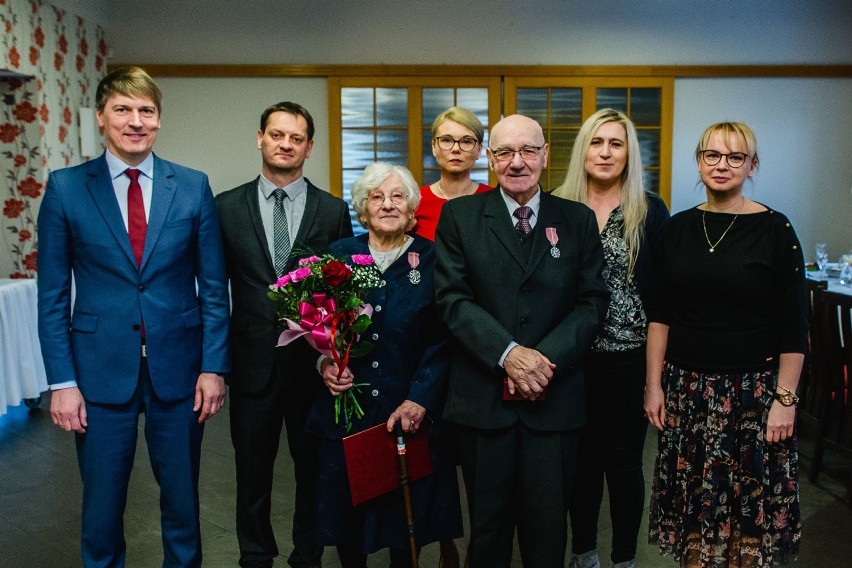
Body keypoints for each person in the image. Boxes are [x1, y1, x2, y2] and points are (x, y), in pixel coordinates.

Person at [37, 66, 230, 567]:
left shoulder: (191, 186)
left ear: (159, 121)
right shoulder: (65, 189)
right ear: (102, 117)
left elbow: (213, 288)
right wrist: (62, 380)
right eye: (123, 109)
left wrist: (213, 368)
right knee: (101, 510)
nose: (135, 121)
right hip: (98, 374)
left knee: (184, 504)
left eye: (146, 110)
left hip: (181, 372)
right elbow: (53, 295)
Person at [434, 114, 609, 568]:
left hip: (554, 402)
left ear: (546, 155)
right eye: (505, 152)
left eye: (528, 150)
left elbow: (592, 303)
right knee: (487, 533)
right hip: (483, 404)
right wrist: (508, 354)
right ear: (490, 160)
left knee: (549, 531)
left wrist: (540, 361)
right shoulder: (461, 217)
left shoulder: (577, 220)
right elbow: (452, 299)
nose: (517, 162)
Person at [644, 122, 806, 567]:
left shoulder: (776, 230)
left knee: (747, 520)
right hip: (688, 395)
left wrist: (785, 400)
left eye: (736, 157)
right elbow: (659, 315)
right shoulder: (676, 229)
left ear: (752, 166)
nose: (722, 165)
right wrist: (653, 385)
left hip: (754, 398)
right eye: (712, 155)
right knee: (695, 517)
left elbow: (796, 326)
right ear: (698, 160)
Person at [216, 102, 353, 568]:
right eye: (277, 135)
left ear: (309, 147)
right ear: (260, 138)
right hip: (251, 364)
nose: (285, 144)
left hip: (311, 367)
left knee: (312, 472)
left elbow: (343, 289)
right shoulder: (225, 207)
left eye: (296, 138)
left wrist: (334, 354)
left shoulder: (332, 210)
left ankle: (307, 554)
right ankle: (254, 555)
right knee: (251, 473)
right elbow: (215, 290)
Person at [308, 162, 463, 567]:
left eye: (398, 197)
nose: (388, 205)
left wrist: (420, 399)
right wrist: (325, 362)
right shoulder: (339, 256)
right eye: (377, 197)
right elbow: (314, 325)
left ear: (413, 210)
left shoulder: (432, 259)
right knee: (347, 519)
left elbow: (444, 338)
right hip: (348, 411)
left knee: (404, 521)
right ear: (362, 210)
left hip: (406, 409)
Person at [553, 108, 669, 568]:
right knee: (580, 465)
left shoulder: (649, 209)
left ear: (628, 153)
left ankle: (624, 559)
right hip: (570, 360)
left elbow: (662, 298)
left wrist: (655, 378)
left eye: (616, 144)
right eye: (597, 143)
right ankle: (584, 554)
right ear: (583, 150)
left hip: (627, 358)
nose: (605, 152)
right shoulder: (556, 205)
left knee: (623, 464)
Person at [412, 106, 493, 241]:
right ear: (434, 147)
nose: (456, 149)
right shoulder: (415, 201)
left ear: (479, 150)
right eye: (446, 140)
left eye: (466, 141)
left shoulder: (493, 201)